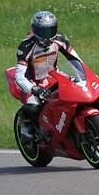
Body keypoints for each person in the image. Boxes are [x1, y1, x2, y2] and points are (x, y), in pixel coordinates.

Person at [14, 11, 85, 139]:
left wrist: (84, 76)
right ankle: (25, 126)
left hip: (54, 75)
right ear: (35, 30)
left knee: (78, 92)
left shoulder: (60, 39)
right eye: (43, 32)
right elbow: (19, 77)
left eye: (50, 30)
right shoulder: (26, 46)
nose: (47, 36)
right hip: (33, 82)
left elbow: (76, 59)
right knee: (33, 107)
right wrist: (34, 89)